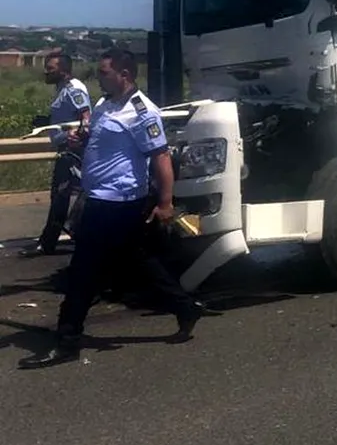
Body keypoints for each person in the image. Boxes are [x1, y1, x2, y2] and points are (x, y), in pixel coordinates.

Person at [20, 49, 206, 369]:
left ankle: (67, 339)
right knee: (136, 259)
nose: (99, 77)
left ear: (124, 75)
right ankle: (185, 307)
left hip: (117, 200)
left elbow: (160, 157)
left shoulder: (142, 112)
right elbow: (98, 139)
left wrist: (165, 203)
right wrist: (80, 140)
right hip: (101, 196)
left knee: (83, 269)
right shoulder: (106, 103)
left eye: (104, 72)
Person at [22, 54, 92, 258]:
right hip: (66, 148)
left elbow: (86, 119)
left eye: (50, 68)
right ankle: (56, 238)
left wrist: (74, 136)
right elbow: (67, 116)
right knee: (61, 195)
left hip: (73, 151)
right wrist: (47, 121)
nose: (46, 71)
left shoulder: (74, 89)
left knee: (61, 195)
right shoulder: (62, 88)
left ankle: (51, 240)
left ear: (64, 70)